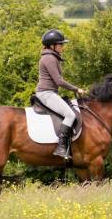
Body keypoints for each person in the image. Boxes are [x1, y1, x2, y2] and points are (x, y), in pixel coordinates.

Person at [35, 29, 87, 160]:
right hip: (46, 94)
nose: (63, 46)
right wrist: (76, 89)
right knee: (70, 115)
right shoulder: (49, 58)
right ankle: (61, 147)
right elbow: (58, 81)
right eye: (60, 44)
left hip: (50, 93)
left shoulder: (51, 57)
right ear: (52, 45)